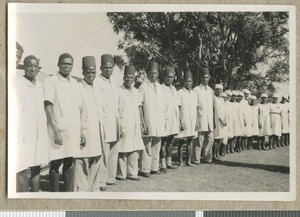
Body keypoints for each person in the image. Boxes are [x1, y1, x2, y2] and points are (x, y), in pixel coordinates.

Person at [44, 53, 85, 192]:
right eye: (64, 63)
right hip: (58, 129)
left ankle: (67, 193)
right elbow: (48, 106)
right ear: (58, 64)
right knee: (55, 162)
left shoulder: (75, 83)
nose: (66, 66)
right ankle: (54, 193)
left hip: (73, 130)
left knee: (69, 161)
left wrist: (81, 131)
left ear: (72, 66)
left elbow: (79, 109)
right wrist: (54, 130)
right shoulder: (51, 81)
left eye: (69, 64)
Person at [15, 55, 48, 192]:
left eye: (35, 66)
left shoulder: (41, 86)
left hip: (38, 131)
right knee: (21, 166)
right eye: (30, 66)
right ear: (24, 67)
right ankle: (22, 196)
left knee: (36, 164)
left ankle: (35, 195)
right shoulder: (18, 84)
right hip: (24, 131)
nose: (33, 69)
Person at [74, 56, 104, 192]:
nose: (91, 75)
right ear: (82, 72)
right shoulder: (78, 87)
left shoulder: (97, 88)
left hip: (97, 130)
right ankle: (81, 188)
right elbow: (76, 111)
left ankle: (94, 186)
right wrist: (79, 131)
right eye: (88, 72)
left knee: (96, 157)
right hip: (84, 129)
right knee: (82, 160)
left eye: (93, 72)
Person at [116, 65, 147, 181]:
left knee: (134, 148)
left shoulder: (136, 92)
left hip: (135, 124)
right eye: (127, 77)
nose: (128, 79)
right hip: (123, 122)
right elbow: (116, 109)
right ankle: (121, 174)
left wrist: (142, 122)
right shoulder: (118, 90)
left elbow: (140, 107)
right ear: (123, 78)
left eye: (131, 77)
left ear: (134, 79)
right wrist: (118, 125)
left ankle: (132, 173)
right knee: (123, 148)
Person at [95, 54, 119, 191]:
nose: (108, 70)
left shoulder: (112, 82)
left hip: (114, 122)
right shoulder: (98, 82)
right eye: (105, 68)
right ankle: (101, 181)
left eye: (110, 68)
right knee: (104, 152)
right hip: (104, 121)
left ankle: (111, 177)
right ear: (101, 68)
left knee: (113, 152)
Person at [138, 60, 167, 177]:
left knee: (157, 145)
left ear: (158, 74)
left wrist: (164, 120)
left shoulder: (161, 88)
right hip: (148, 120)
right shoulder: (143, 87)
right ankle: (145, 169)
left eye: (155, 73)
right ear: (147, 73)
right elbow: (139, 105)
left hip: (159, 120)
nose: (153, 75)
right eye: (151, 73)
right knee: (147, 145)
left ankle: (154, 167)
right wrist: (142, 121)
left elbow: (163, 106)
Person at [175, 70, 198, 166]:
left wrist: (197, 121)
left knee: (190, 140)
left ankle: (188, 161)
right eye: (186, 81)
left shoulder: (194, 94)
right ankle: (180, 161)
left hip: (192, 119)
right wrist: (180, 121)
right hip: (183, 119)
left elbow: (196, 108)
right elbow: (178, 107)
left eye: (190, 81)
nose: (188, 83)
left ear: (192, 82)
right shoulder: (180, 92)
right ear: (183, 82)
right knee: (181, 140)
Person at [192, 68, 215, 164]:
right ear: (200, 78)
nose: (205, 79)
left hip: (209, 119)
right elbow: (194, 106)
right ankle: (196, 159)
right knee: (199, 140)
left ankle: (207, 157)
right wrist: (196, 119)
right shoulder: (196, 90)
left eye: (206, 77)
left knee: (210, 139)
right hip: (200, 117)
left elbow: (213, 106)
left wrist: (213, 120)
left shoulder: (211, 90)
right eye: (203, 77)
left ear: (209, 78)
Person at [160, 66, 179, 172]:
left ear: (174, 78)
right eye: (167, 77)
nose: (169, 79)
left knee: (171, 142)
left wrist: (178, 119)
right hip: (164, 119)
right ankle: (162, 164)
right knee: (164, 142)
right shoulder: (161, 88)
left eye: (171, 77)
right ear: (164, 77)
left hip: (173, 119)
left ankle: (169, 162)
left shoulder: (174, 89)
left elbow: (176, 106)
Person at [213, 84, 227, 159]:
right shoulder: (213, 98)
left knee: (220, 138)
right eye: (217, 89)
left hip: (223, 122)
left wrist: (225, 120)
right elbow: (216, 111)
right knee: (216, 138)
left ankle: (217, 153)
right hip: (217, 121)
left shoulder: (222, 99)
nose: (218, 91)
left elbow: (224, 110)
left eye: (220, 89)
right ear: (215, 90)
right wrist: (221, 120)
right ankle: (214, 154)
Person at [224, 90, 233, 154]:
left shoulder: (230, 103)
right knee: (224, 136)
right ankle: (222, 151)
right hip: (224, 121)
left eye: (230, 96)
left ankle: (228, 149)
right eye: (228, 96)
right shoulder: (223, 102)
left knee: (229, 135)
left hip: (230, 120)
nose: (229, 97)